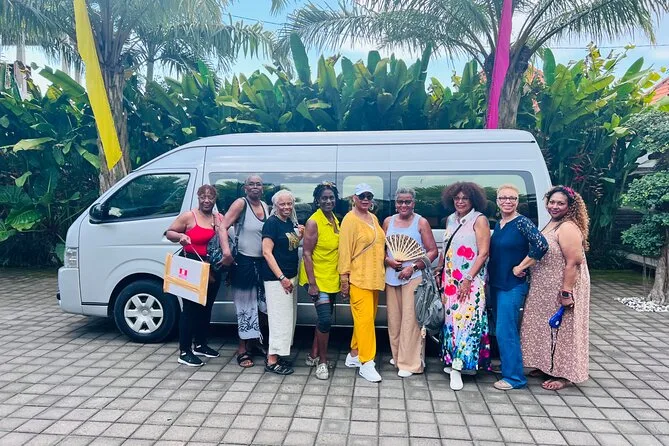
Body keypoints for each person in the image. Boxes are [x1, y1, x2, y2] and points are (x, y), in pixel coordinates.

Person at [521, 186, 590, 390]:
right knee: (547, 328)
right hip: (546, 287)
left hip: (562, 286)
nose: (555, 206)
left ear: (570, 206)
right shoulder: (553, 222)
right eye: (552, 202)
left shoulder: (568, 227)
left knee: (563, 329)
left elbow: (573, 262)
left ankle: (564, 374)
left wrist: (566, 292)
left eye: (561, 203)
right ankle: (547, 365)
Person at [488, 184, 548, 390]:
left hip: (512, 285)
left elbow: (541, 245)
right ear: (497, 201)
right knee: (500, 328)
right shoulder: (500, 224)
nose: (507, 201)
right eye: (503, 198)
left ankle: (515, 378)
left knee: (506, 331)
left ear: (517, 201)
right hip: (497, 283)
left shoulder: (522, 222)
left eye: (512, 198)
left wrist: (522, 266)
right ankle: (508, 366)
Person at [165, 184, 233, 367]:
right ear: (198, 198)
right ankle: (184, 351)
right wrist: (180, 237)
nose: (207, 200)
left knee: (206, 307)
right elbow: (169, 232)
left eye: (210, 197)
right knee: (190, 309)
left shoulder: (219, 218)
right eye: (203, 197)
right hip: (192, 264)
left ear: (215, 199)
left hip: (212, 267)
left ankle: (201, 344)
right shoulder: (189, 216)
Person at [438, 182, 491, 391]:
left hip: (470, 281)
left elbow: (483, 253)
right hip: (450, 281)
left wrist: (468, 279)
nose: (460, 202)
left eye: (465, 198)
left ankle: (458, 368)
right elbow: (446, 248)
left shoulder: (479, 220)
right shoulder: (451, 219)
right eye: (457, 198)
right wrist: (440, 271)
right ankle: (454, 362)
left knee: (467, 322)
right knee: (451, 322)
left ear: (473, 200)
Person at [383, 187, 438, 378]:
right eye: (400, 202)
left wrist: (413, 267)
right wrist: (388, 260)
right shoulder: (388, 222)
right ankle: (398, 357)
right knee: (394, 320)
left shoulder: (421, 222)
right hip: (391, 277)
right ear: (395, 203)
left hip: (413, 278)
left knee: (411, 321)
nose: (404, 205)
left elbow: (432, 251)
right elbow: (380, 248)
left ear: (414, 203)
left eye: (407, 201)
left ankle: (411, 363)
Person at [339, 183, 386, 383]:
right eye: (362, 196)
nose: (366, 199)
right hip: (358, 279)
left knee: (365, 320)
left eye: (369, 196)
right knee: (365, 322)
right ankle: (367, 362)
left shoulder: (373, 218)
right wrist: (344, 279)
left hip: (374, 279)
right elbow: (344, 251)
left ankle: (354, 354)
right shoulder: (349, 220)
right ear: (354, 198)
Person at [222, 175, 270, 368]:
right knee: (245, 308)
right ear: (245, 188)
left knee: (263, 307)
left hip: (261, 263)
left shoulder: (265, 206)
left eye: (258, 184)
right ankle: (242, 349)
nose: (255, 187)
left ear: (262, 188)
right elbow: (222, 227)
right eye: (251, 184)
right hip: (243, 262)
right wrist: (226, 252)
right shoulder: (241, 204)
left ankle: (254, 343)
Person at [299, 182, 341, 380]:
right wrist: (313, 284)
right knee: (325, 320)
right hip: (317, 278)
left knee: (324, 319)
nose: (328, 201)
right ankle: (322, 363)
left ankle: (313, 355)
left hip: (331, 277)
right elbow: (306, 253)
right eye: (324, 198)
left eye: (331, 197)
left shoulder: (334, 219)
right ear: (317, 200)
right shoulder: (313, 222)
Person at [262, 190, 304, 375]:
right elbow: (266, 252)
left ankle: (278, 355)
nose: (286, 207)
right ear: (275, 206)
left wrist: (299, 237)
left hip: (290, 277)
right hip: (277, 280)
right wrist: (282, 278)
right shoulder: (271, 223)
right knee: (278, 319)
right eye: (282, 204)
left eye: (289, 203)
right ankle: (271, 360)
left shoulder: (288, 222)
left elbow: (289, 246)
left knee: (287, 319)